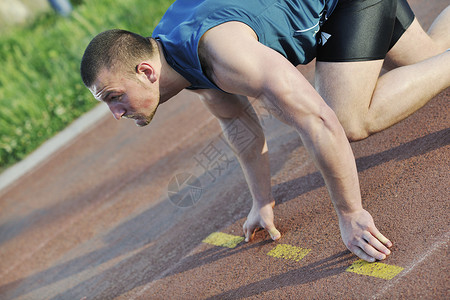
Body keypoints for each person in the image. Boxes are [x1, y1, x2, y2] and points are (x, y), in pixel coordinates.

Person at [80, 0, 450, 263]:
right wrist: (262, 201)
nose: (115, 113)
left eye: (114, 97)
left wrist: (350, 213)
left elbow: (319, 121)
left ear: (146, 72)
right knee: (430, 56)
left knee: (346, 118)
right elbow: (238, 125)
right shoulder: (172, 54)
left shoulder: (224, 54)